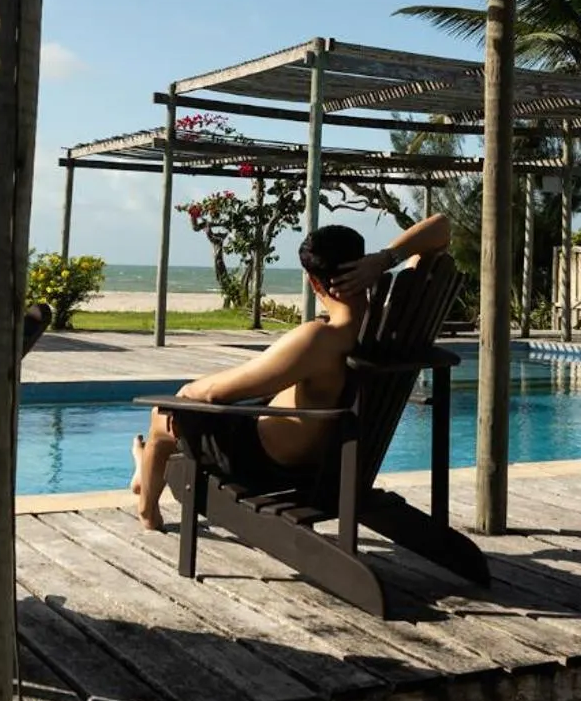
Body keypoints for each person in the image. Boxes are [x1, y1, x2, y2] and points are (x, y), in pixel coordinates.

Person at [130, 213, 451, 530]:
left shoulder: (320, 339)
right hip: (333, 458)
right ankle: (143, 468)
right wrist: (386, 259)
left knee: (165, 413)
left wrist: (187, 391)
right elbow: (441, 227)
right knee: (233, 405)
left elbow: (213, 393)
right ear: (363, 265)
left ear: (313, 282)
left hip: (266, 464)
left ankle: (148, 510)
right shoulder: (390, 323)